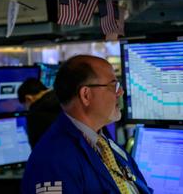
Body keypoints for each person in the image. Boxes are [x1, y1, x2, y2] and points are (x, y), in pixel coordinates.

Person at [21, 55, 152, 194]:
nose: (120, 92)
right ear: (86, 95)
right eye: (113, 85)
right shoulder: (52, 161)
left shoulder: (101, 141)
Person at [17, 78, 61, 148]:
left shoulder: (35, 115)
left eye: (25, 106)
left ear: (28, 98)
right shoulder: (63, 97)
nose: (27, 109)